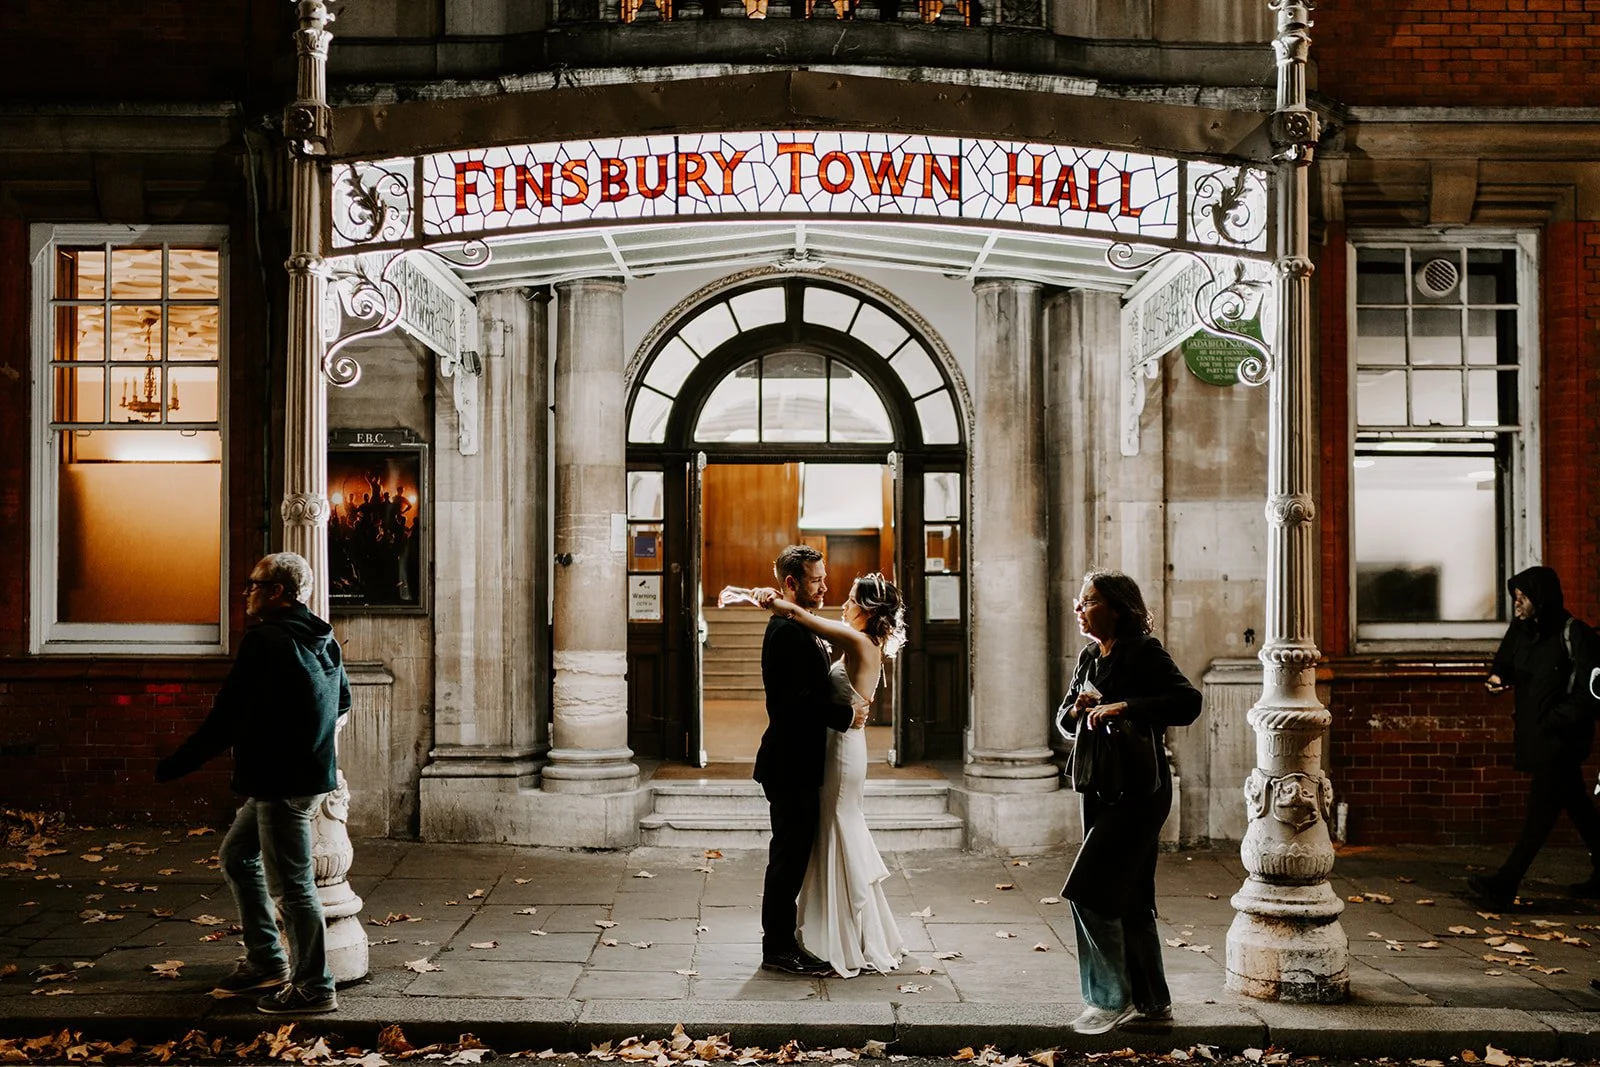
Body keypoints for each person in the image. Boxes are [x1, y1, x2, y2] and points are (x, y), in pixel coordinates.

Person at [155, 552, 351, 1015]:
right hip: (301, 778)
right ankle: (266, 960)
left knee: (293, 887)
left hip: (281, 782)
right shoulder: (322, 635)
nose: (246, 592)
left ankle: (313, 987)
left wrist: (176, 765)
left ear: (277, 591)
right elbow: (341, 699)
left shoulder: (266, 641)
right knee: (238, 856)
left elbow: (227, 717)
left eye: (253, 584)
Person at [1057, 570, 1201, 1035]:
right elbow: (1064, 722)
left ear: (1117, 607)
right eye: (1079, 602)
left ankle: (1109, 999)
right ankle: (1153, 1002)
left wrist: (1125, 706)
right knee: (1133, 895)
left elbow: (1187, 702)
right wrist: (1077, 709)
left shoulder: (1143, 651)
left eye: (1089, 601)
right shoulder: (1088, 657)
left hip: (1141, 791)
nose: (1080, 609)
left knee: (1088, 888)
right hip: (1099, 787)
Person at [756, 572, 908, 977]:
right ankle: (848, 929)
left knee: (839, 826)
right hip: (840, 745)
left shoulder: (858, 640)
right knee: (836, 829)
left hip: (841, 750)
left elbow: (802, 618)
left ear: (868, 609)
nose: (842, 603)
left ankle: (847, 932)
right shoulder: (864, 640)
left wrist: (771, 598)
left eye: (851, 599)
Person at [751, 544, 865, 976]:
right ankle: (776, 947)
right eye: (815, 580)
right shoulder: (786, 632)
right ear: (791, 583)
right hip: (788, 762)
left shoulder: (803, 625)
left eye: (823, 577)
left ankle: (786, 939)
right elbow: (792, 703)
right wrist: (846, 715)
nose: (824, 586)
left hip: (801, 760)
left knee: (794, 855)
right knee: (787, 859)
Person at [1467, 565, 1600, 909]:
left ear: (1541, 599)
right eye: (1515, 598)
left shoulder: (1575, 635)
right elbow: (1507, 663)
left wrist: (1557, 719)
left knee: (1539, 815)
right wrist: (1498, 678)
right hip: (1537, 735)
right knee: (1577, 804)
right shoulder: (1522, 630)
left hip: (1563, 739)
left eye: (1522, 598)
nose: (1517, 605)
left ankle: (1505, 883)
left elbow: (1589, 694)